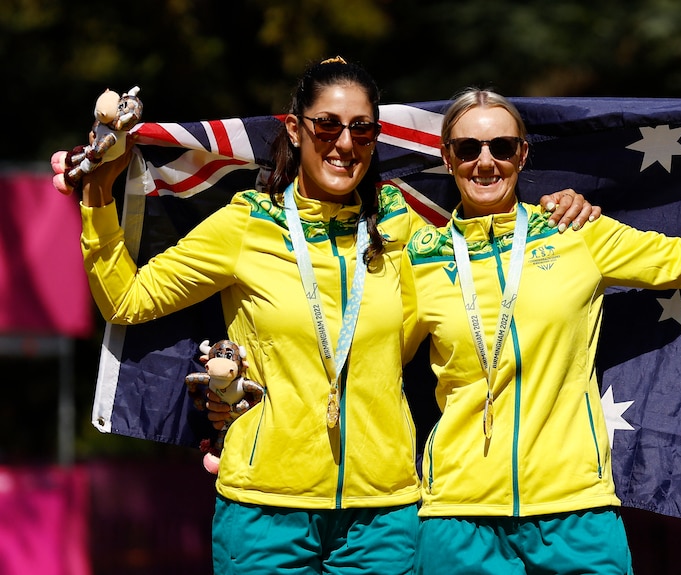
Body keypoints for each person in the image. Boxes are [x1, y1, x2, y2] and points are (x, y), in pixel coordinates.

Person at [57, 58, 599, 574]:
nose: (344, 143)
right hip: (264, 506)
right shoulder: (247, 224)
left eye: (362, 130)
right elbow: (126, 300)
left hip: (385, 512)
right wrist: (99, 192)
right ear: (295, 129)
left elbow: (491, 245)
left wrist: (563, 211)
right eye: (327, 126)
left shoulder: (402, 226)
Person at [401, 89, 681, 575]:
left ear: (522, 153)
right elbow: (368, 355)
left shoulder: (575, 231)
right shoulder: (419, 258)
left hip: (575, 511)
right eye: (467, 149)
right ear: (445, 156)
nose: (485, 162)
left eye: (501, 147)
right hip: (457, 517)